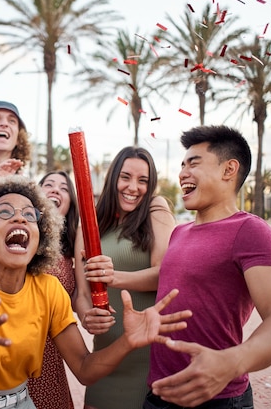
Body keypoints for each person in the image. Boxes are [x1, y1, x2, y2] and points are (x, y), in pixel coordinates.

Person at [0, 175, 192, 409]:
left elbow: (83, 369)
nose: (19, 219)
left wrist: (128, 341)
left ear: (39, 240)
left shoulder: (49, 289)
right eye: (5, 213)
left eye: (29, 216)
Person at [145, 125, 271, 408]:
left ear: (229, 170)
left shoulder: (250, 230)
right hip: (159, 392)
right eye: (182, 165)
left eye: (194, 163)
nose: (182, 173)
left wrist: (230, 363)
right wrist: (113, 276)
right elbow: (166, 278)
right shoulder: (179, 231)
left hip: (218, 398)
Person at [73, 146, 175, 409]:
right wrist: (87, 317)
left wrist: (114, 277)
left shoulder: (156, 208)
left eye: (143, 180)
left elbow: (164, 273)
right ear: (113, 178)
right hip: (106, 357)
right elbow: (81, 294)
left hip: (149, 358)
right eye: (126, 177)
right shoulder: (90, 221)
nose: (133, 187)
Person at [26, 171, 80, 409]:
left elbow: (79, 298)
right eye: (48, 185)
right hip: (14, 352)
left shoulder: (71, 252)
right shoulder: (21, 240)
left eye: (64, 188)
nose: (56, 189)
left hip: (51, 356)